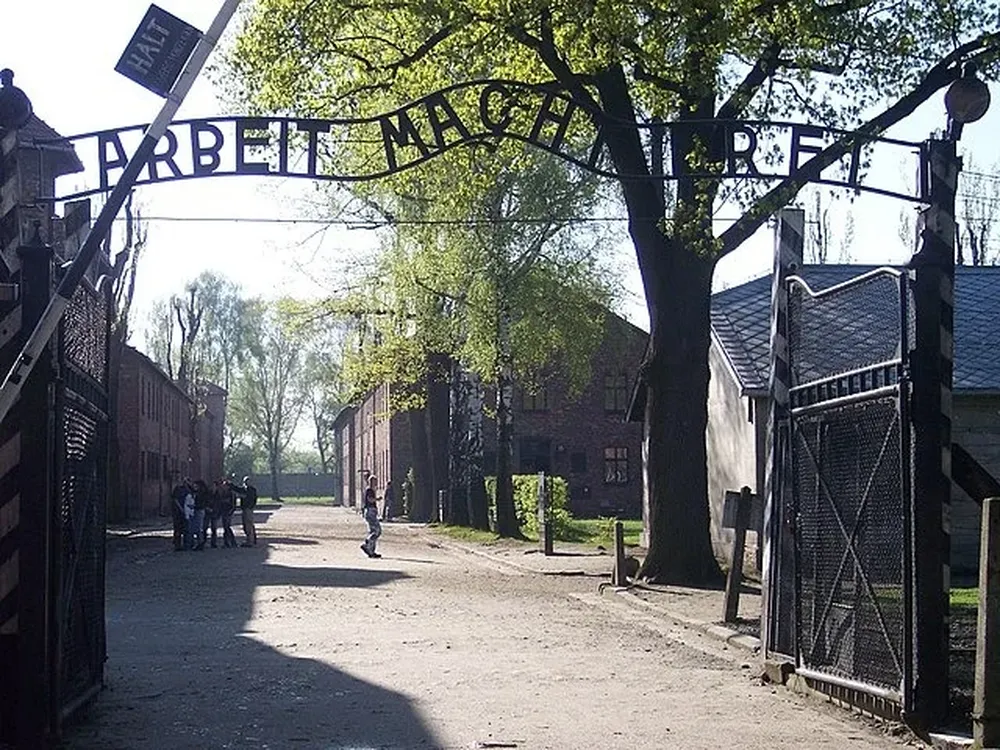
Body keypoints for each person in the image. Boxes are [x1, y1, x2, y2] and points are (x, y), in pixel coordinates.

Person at [230, 476, 258, 547]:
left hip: (248, 509)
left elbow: (249, 498)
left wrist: (243, 497)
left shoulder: (251, 490)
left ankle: (250, 541)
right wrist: (230, 484)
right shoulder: (246, 489)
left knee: (248, 525)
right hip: (246, 509)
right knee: (247, 525)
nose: (246, 483)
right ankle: (251, 539)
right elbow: (237, 489)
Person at [360, 475, 382, 558]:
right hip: (370, 512)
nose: (376, 483)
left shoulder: (371, 490)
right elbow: (370, 499)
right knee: (377, 531)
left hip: (371, 512)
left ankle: (371, 551)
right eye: (374, 481)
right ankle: (367, 543)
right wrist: (377, 499)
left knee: (372, 531)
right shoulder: (369, 490)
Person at [216, 479, 238, 548]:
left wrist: (230, 512)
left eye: (225, 485)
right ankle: (227, 542)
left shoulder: (231, 493)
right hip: (224, 511)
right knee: (225, 527)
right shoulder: (223, 493)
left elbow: (233, 504)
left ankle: (231, 542)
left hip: (228, 512)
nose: (223, 486)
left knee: (227, 527)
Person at [169, 477, 189, 551]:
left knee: (185, 529)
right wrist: (181, 509)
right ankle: (177, 545)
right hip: (178, 513)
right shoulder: (178, 489)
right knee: (178, 529)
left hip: (185, 512)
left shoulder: (188, 490)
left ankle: (184, 544)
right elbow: (175, 500)